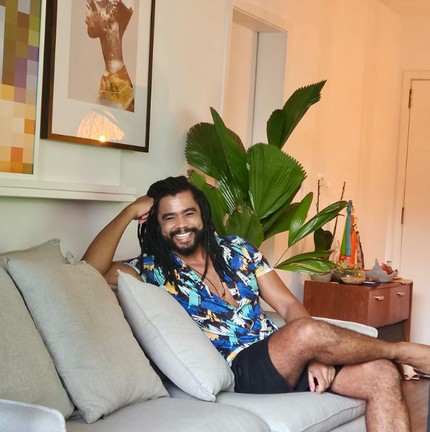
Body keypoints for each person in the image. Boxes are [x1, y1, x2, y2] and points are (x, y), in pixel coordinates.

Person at [83, 175, 430, 432]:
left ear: (202, 215)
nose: (182, 225)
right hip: (240, 369)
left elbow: (289, 307)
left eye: (189, 214)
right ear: (156, 226)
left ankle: (389, 359)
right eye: (169, 217)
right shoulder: (150, 270)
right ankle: (403, 352)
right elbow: (89, 269)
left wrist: (315, 355)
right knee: (308, 333)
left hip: (283, 356)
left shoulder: (238, 249)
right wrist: (129, 211)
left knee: (382, 375)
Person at [85, 0, 135, 111]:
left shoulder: (117, 25)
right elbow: (91, 30)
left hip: (119, 79)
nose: (87, 16)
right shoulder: (104, 26)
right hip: (109, 78)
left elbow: (128, 12)